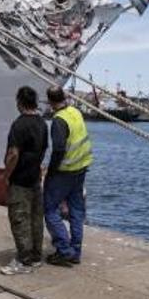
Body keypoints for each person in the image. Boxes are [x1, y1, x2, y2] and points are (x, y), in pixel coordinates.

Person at [0, 86, 48, 275]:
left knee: (19, 219)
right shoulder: (42, 124)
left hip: (19, 179)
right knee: (36, 218)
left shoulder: (19, 125)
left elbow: (13, 154)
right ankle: (36, 256)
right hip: (35, 177)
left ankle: (24, 261)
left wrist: (6, 175)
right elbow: (43, 149)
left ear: (19, 102)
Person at [43, 86, 92, 267]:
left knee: (50, 210)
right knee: (77, 211)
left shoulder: (58, 120)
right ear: (64, 97)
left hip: (65, 171)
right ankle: (76, 251)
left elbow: (58, 150)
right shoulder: (75, 112)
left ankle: (64, 250)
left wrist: (50, 171)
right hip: (81, 169)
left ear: (49, 101)